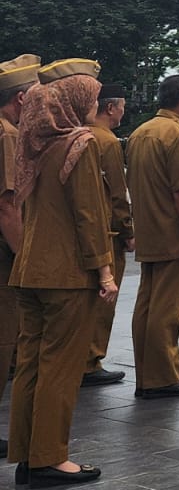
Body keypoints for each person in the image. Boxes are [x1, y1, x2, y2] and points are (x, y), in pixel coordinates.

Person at [9, 57, 117, 485]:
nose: (95, 103)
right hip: (68, 275)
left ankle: (27, 455)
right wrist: (105, 274)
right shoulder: (80, 144)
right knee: (60, 368)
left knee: (32, 366)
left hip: (30, 270)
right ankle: (50, 459)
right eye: (90, 95)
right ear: (74, 100)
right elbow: (89, 216)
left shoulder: (34, 143)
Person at [126, 73, 179, 399]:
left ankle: (145, 375)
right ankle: (162, 377)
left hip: (148, 228)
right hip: (172, 231)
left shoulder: (141, 132)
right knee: (167, 309)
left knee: (146, 304)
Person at [0, 54, 41, 462]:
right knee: (4, 340)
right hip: (3, 256)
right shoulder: (8, 135)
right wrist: (24, 258)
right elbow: (8, 206)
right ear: (23, 98)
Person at [82, 83, 133, 388]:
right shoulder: (107, 141)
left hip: (84, 232)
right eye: (123, 106)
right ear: (111, 108)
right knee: (104, 301)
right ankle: (91, 360)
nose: (123, 111)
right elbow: (117, 193)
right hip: (108, 232)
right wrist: (127, 230)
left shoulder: (77, 134)